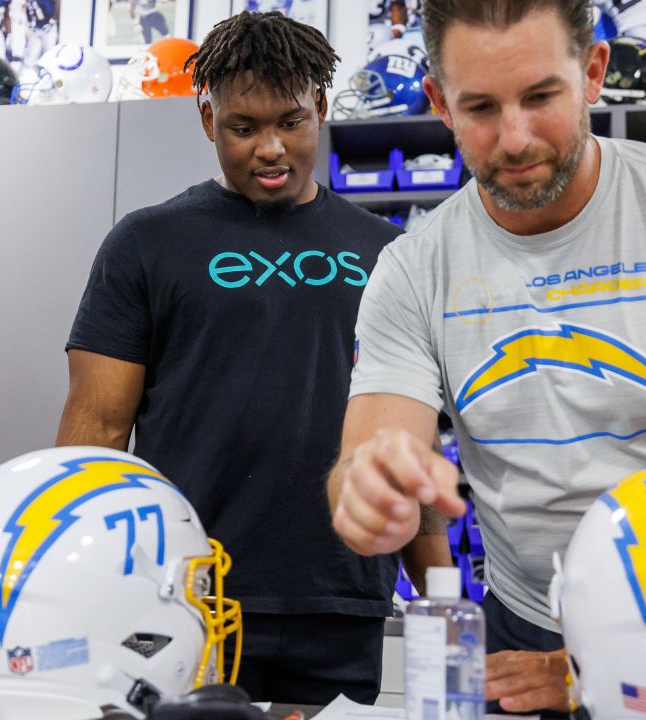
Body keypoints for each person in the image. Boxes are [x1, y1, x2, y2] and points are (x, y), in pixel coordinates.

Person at [326, 0, 646, 715]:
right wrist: (367, 492)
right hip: (519, 628)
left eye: (539, 97)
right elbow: (369, 458)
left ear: (592, 73)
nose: (515, 138)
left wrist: (607, 664)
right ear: (439, 104)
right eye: (481, 109)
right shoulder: (411, 268)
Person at [58, 11, 445, 704]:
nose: (270, 148)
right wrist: (73, 584)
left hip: (342, 595)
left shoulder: (390, 255)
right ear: (207, 118)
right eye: (243, 128)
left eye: (291, 122)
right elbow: (97, 430)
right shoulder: (145, 245)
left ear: (321, 109)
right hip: (189, 596)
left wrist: (443, 602)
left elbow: (407, 439)